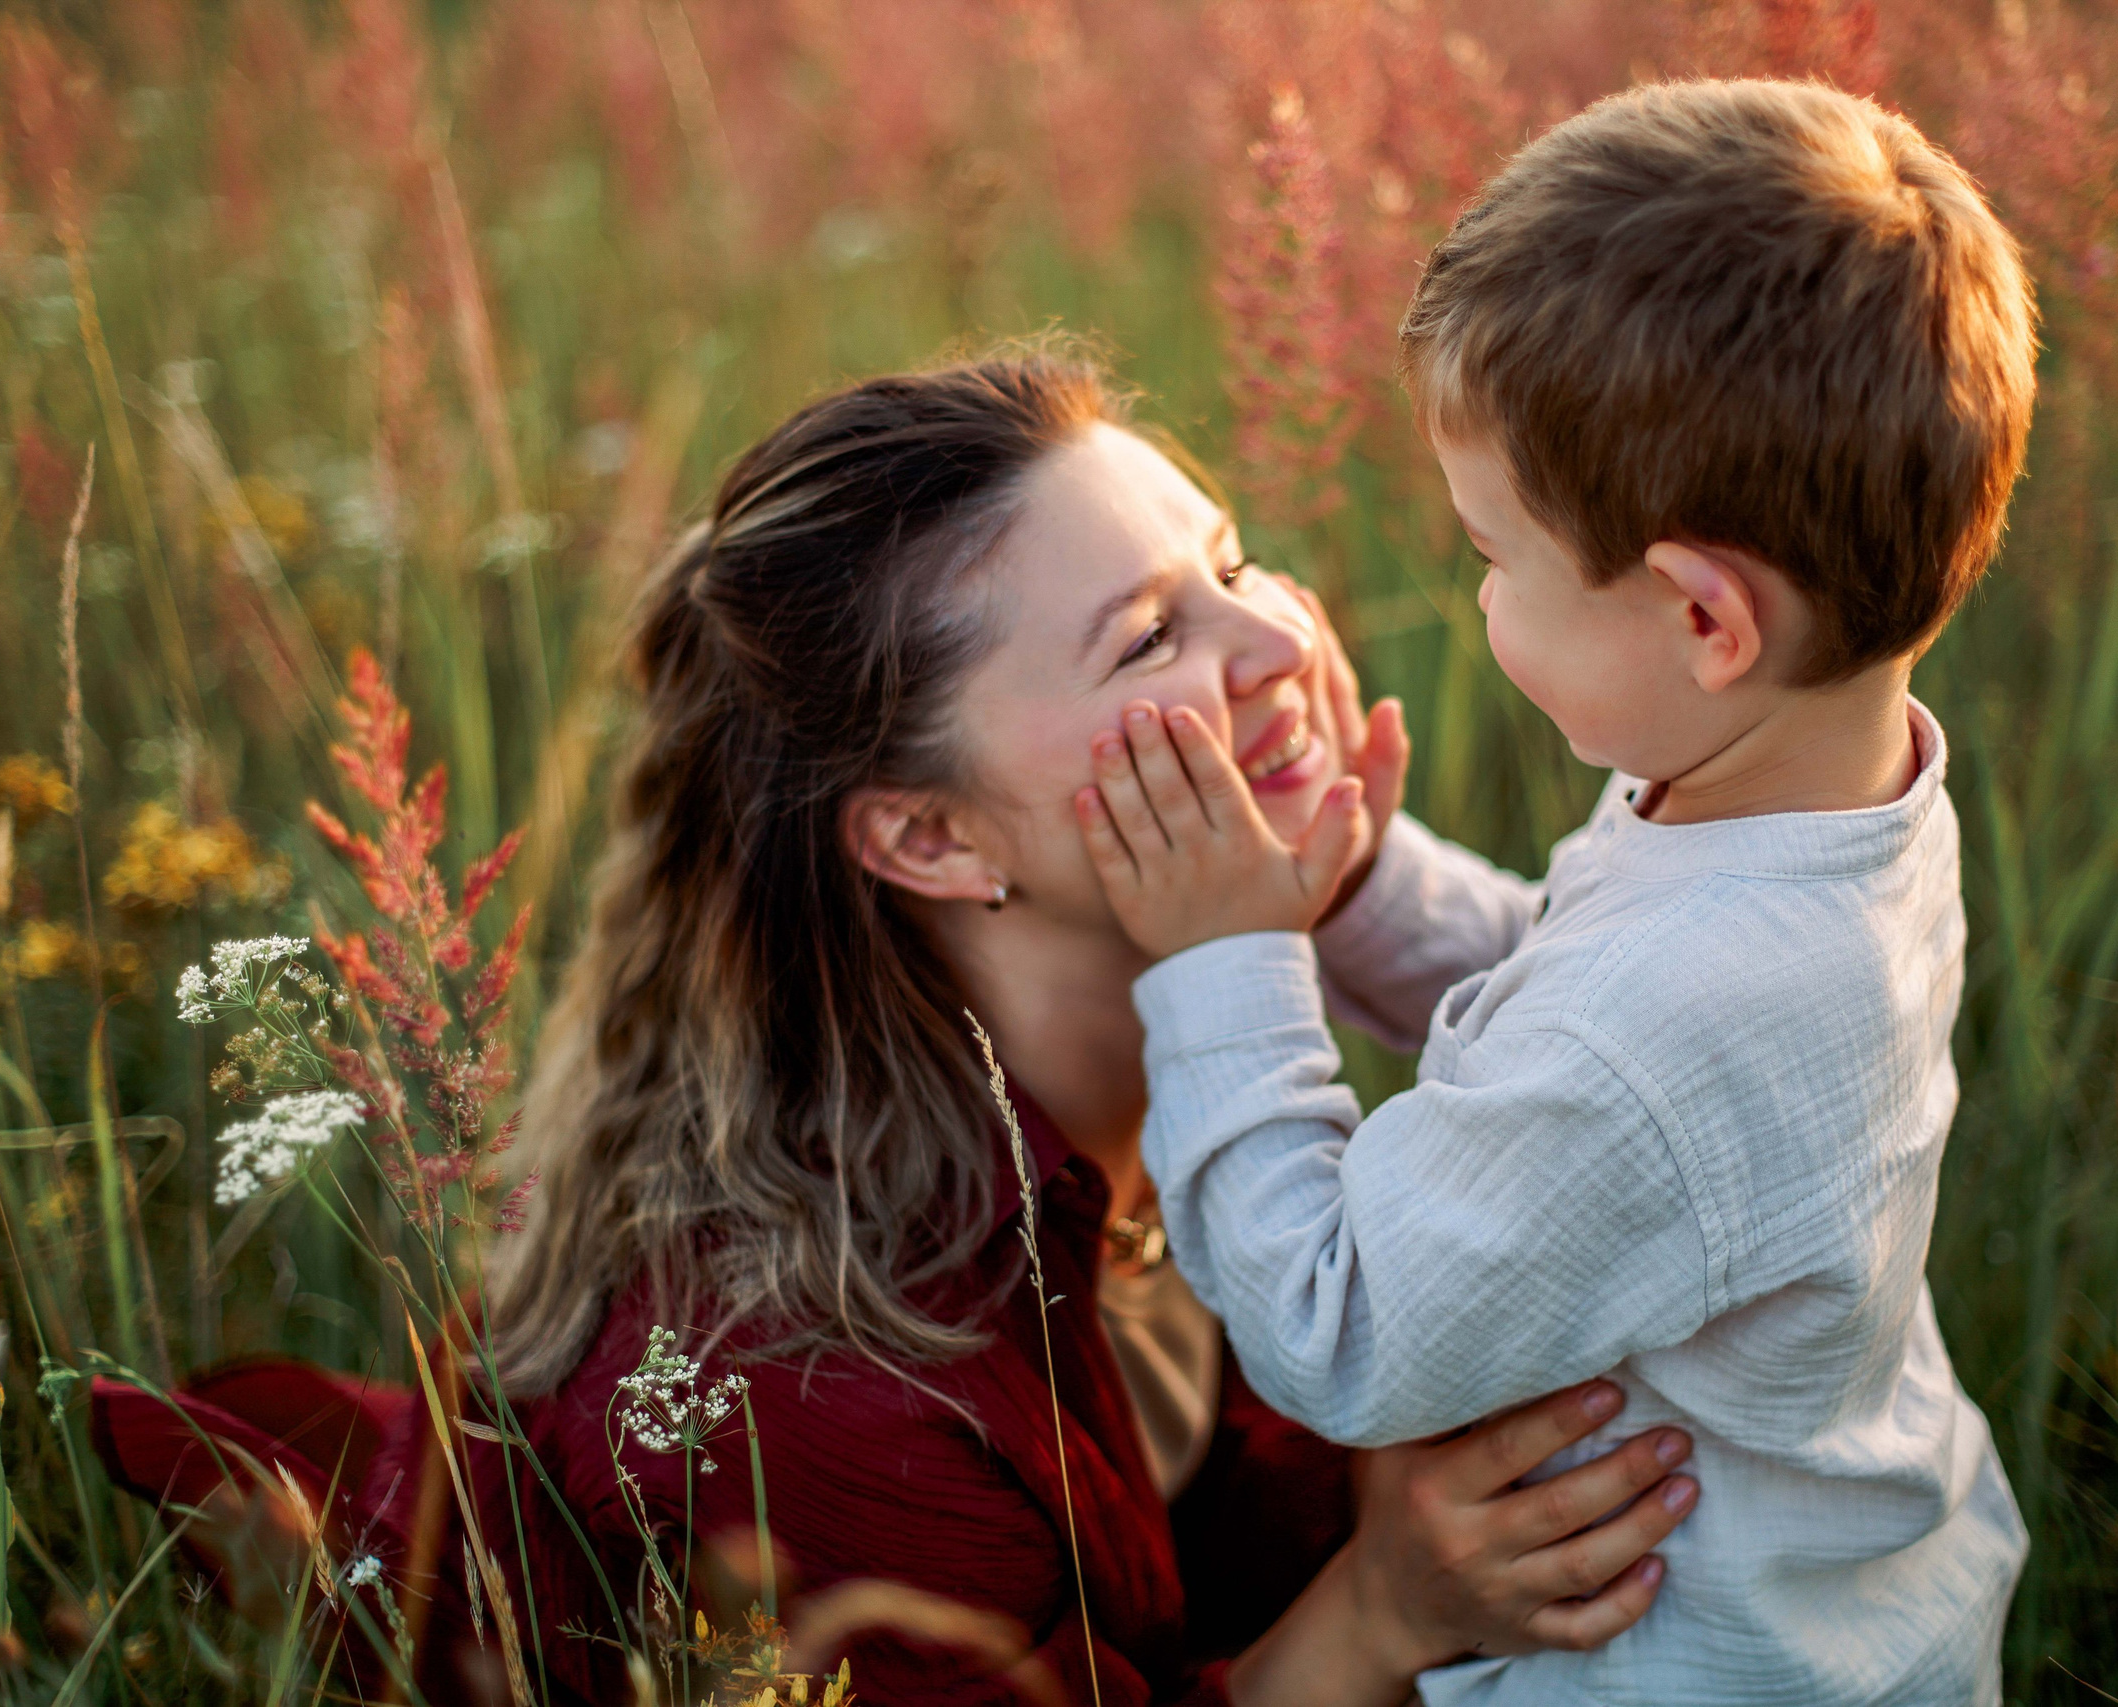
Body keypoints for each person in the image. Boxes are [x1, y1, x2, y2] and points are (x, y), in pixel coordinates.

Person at [91, 349, 1700, 1706]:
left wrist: (1334, 904)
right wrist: (1379, 1617)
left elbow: (1679, 1038)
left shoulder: (1212, 1037)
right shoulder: (826, 1402)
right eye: (1150, 639)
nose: (1281, 642)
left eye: (1228, 565)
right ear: (933, 842)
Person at [1070, 80, 2038, 1704]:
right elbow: (1573, 977)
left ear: (1701, 619)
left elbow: (1343, 1326)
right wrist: (1363, 889)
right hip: (1862, 1590)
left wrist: (1227, 965)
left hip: (1688, 1667)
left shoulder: (1674, 1008)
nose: (1476, 589)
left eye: (1497, 554)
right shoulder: (1826, 799)